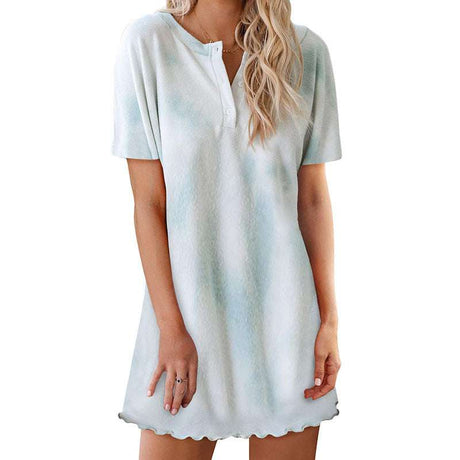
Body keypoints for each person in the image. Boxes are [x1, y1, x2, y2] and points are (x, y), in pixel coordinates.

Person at [112, 1, 342, 458]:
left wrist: (330, 321)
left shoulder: (306, 53)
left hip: (286, 328)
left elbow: (312, 200)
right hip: (184, 323)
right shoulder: (149, 45)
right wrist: (170, 328)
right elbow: (149, 205)